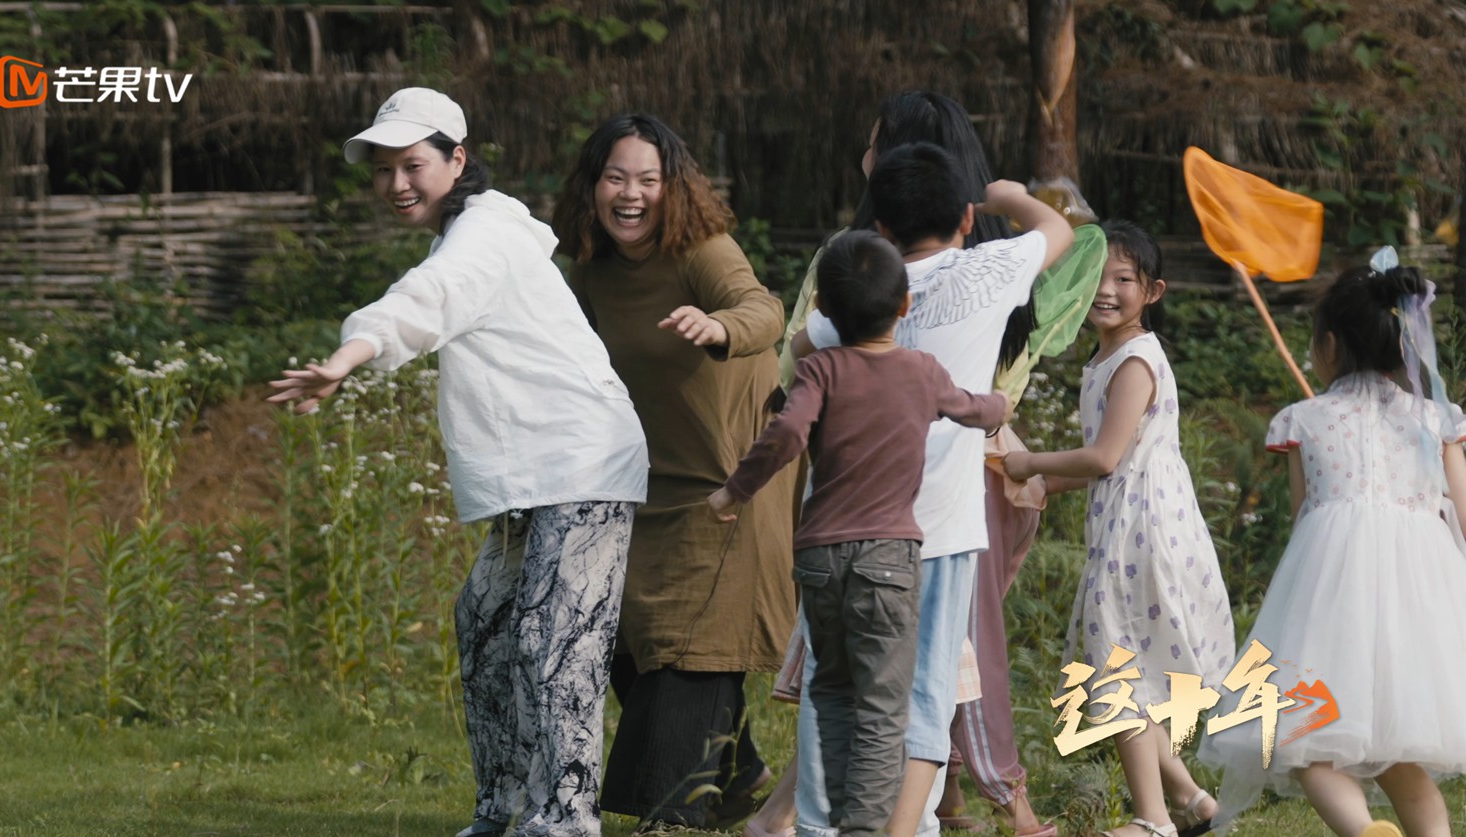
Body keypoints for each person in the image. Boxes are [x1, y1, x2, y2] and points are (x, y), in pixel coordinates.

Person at [266, 87, 648, 837]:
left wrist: (345, 358)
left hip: (584, 459)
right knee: (484, 621)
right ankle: (501, 810)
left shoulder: (484, 236)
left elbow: (423, 301)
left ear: (457, 159)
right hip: (531, 476)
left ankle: (565, 819)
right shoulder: (465, 233)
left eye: (414, 165)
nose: (397, 184)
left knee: (553, 636)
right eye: (383, 170)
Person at [753, 90, 1090, 837]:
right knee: (925, 696)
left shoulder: (862, 292)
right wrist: (1006, 194)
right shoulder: (990, 271)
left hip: (839, 531)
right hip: (937, 533)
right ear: (967, 220)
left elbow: (801, 352)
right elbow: (1058, 230)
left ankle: (817, 827)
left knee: (832, 693)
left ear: (876, 229)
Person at [708, 229, 1009, 837]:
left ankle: (844, 817)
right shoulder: (921, 371)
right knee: (883, 707)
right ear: (905, 305)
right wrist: (1000, 406)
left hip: (819, 562)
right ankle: (864, 830)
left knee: (834, 692)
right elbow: (974, 409)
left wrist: (734, 490)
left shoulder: (819, 370)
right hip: (889, 562)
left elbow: (788, 434)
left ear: (821, 309)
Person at [552, 113, 796, 834]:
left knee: (691, 641)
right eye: (615, 177)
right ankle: (740, 766)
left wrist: (719, 327)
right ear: (593, 185)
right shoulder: (592, 269)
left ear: (674, 187)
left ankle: (672, 813)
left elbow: (764, 309)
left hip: (730, 480)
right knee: (627, 635)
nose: (630, 194)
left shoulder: (702, 249)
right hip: (649, 481)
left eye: (648, 180)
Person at [1199, 260, 1466, 837]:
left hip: (1331, 592)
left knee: (1298, 737)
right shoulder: (1436, 420)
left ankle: (1363, 831)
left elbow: (1304, 515)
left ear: (1327, 345)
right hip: (1424, 603)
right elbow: (1464, 515)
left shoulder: (1305, 418)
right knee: (1403, 755)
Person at [1003, 220, 1235, 837]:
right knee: (1126, 663)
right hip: (1127, 523)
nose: (1106, 290)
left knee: (1118, 667)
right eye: (1098, 277)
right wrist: (1050, 482)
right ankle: (1191, 801)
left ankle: (1152, 819)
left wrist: (1031, 463)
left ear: (1152, 291)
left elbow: (1104, 458)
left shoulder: (1135, 360)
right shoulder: (1107, 357)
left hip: (1144, 531)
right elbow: (1109, 461)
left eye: (1123, 279)